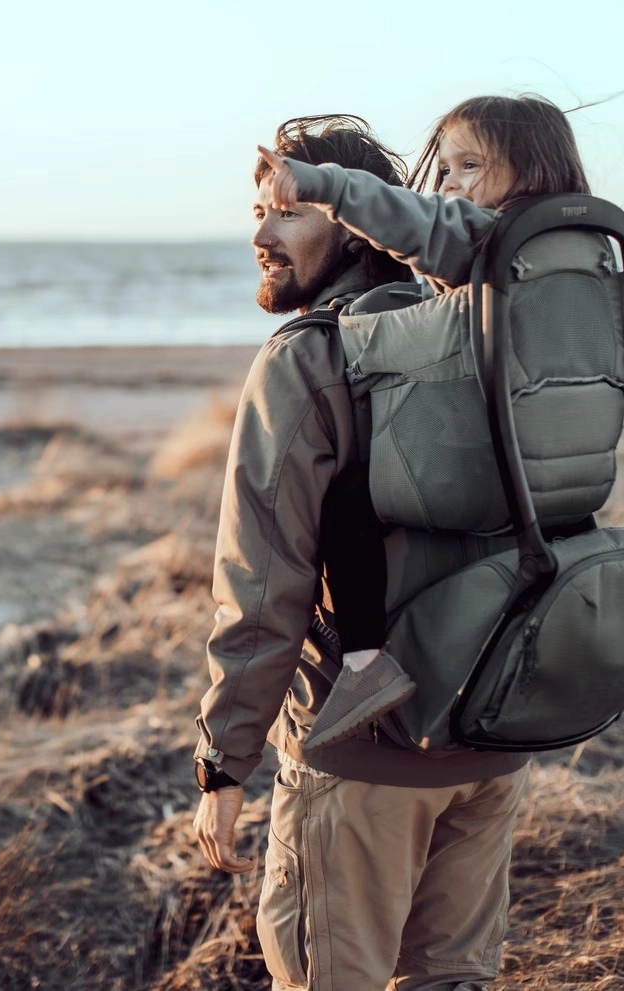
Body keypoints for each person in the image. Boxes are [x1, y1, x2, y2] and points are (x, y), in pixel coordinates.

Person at [193, 110, 533, 991]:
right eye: (256, 211)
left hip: (361, 750)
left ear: (356, 220)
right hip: (489, 742)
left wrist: (223, 759)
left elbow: (260, 586)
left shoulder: (305, 359)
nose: (261, 235)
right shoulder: (480, 332)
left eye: (288, 211)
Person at [257, 94, 594, 753]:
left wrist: (321, 187)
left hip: (484, 479)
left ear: (530, 172)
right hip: (568, 479)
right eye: (442, 169)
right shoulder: (591, 252)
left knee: (350, 497)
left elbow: (405, 219)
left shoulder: (488, 241)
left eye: (467, 166)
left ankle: (363, 665)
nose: (445, 186)